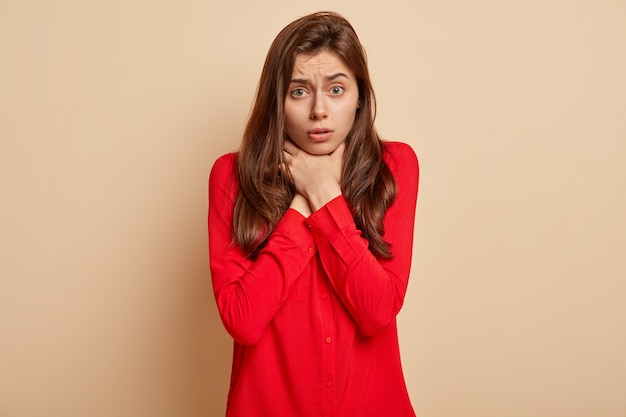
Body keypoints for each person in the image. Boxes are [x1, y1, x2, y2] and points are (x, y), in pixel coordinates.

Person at [208, 11, 419, 417]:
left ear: (359, 97)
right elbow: (243, 319)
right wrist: (303, 203)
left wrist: (325, 194)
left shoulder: (394, 168)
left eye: (336, 89)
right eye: (300, 91)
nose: (319, 110)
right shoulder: (231, 178)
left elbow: (377, 311)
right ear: (278, 101)